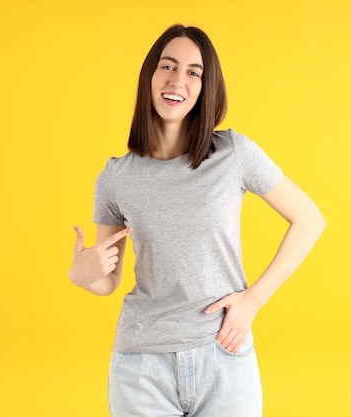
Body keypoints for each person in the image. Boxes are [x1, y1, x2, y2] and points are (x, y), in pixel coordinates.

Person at [68, 24, 325, 417]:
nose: (177, 80)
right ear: (149, 76)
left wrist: (253, 300)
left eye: (193, 72)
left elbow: (310, 220)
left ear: (207, 88)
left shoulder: (233, 153)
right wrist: (82, 275)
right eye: (167, 66)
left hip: (224, 355)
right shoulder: (116, 177)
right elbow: (109, 280)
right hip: (141, 368)